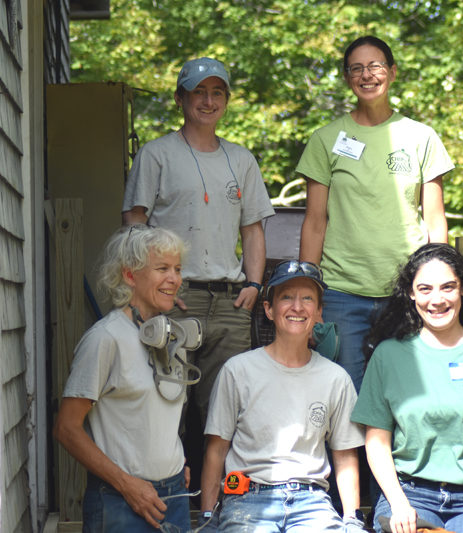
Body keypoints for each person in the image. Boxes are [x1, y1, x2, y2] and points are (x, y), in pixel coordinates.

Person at [121, 57, 275, 481]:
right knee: (168, 399)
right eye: (199, 93)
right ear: (181, 99)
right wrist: (156, 286)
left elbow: (254, 229)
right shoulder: (156, 154)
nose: (208, 101)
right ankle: (168, 493)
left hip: (230, 299)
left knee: (226, 407)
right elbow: (134, 224)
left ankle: (226, 499)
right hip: (175, 296)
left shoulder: (241, 159)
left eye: (217, 93)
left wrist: (255, 284)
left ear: (226, 100)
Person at [297, 35, 454, 392]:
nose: (367, 75)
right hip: (340, 293)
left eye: (376, 66)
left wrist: (435, 286)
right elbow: (315, 222)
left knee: (406, 396)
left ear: (392, 72)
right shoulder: (326, 138)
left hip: (406, 292)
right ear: (347, 77)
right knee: (346, 399)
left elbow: (435, 220)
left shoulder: (421, 137)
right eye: (357, 68)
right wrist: (310, 293)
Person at [351, 243, 463, 533]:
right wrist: (398, 503)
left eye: (448, 287)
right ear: (410, 293)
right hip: (409, 492)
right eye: (425, 289)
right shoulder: (387, 355)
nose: (437, 299)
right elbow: (377, 443)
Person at [200, 260, 366, 531]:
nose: (297, 307)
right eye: (286, 297)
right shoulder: (238, 370)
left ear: (319, 311)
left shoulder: (335, 378)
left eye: (308, 299)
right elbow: (216, 449)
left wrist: (352, 518)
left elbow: (345, 456)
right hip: (247, 499)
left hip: (312, 501)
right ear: (269, 309)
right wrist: (207, 516)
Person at [54, 225, 191, 532]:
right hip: (121, 500)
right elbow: (66, 429)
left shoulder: (172, 338)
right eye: (162, 268)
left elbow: (156, 413)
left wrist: (175, 460)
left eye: (178, 269)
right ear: (130, 276)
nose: (175, 279)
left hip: (175, 497)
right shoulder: (105, 339)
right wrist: (128, 486)